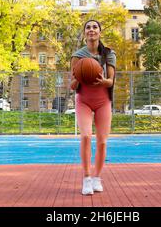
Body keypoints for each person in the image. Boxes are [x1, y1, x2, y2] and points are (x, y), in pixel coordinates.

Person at [70, 19, 116, 195]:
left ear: (99, 32)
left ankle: (97, 177)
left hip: (103, 100)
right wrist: (81, 77)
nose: (91, 30)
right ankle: (87, 179)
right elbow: (72, 85)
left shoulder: (109, 54)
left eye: (94, 27)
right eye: (88, 27)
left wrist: (102, 81)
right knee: (86, 136)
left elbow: (110, 81)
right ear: (84, 33)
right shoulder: (77, 56)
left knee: (103, 141)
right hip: (84, 100)